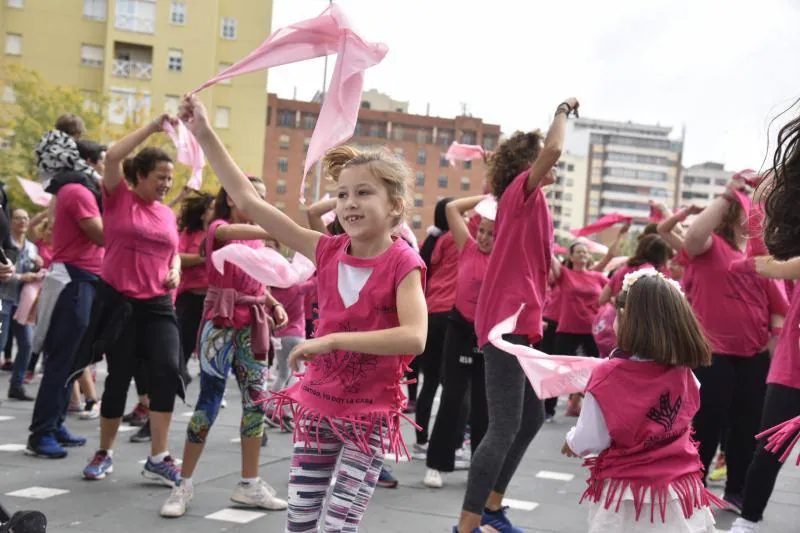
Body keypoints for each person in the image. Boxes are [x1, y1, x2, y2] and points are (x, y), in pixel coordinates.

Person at [180, 93, 427, 532]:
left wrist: (331, 340)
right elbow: (250, 202)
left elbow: (414, 337)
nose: (348, 203)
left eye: (363, 193)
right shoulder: (326, 249)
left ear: (395, 206)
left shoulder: (403, 262)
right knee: (300, 521)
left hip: (368, 414)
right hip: (317, 406)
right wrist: (202, 131)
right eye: (342, 194)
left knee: (336, 524)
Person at [455, 97, 578, 533]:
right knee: (505, 425)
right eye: (538, 160)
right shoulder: (521, 191)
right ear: (527, 165)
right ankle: (467, 525)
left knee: (528, 419)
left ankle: (491, 506)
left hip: (519, 321)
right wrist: (563, 110)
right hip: (505, 325)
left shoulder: (531, 203)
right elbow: (554, 151)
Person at [160, 178, 289, 517]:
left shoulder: (256, 239)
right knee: (209, 404)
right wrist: (276, 228)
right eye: (253, 198)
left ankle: (249, 484)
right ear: (231, 198)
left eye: (263, 198)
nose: (258, 203)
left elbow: (256, 279)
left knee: (256, 404)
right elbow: (229, 239)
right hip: (220, 326)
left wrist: (273, 303)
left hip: (253, 325)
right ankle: (182, 484)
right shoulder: (218, 228)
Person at [563, 269, 720, 532]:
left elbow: (593, 437)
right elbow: (691, 406)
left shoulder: (608, 374)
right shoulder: (682, 370)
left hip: (628, 495)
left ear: (626, 318)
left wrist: (571, 442)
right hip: (680, 490)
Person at [77, 116, 182, 486]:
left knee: (168, 370)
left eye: (170, 178)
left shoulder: (167, 214)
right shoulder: (117, 195)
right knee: (119, 377)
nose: (167, 185)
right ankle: (104, 451)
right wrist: (154, 126)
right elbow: (114, 155)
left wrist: (177, 268)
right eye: (160, 177)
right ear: (139, 176)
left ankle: (159, 455)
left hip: (157, 303)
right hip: (118, 301)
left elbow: (174, 251)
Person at [681, 182, 788, 511]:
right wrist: (729, 193)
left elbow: (777, 310)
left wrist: (774, 355)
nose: (756, 214)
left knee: (747, 428)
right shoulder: (711, 246)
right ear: (731, 213)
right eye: (749, 207)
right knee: (706, 423)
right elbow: (693, 237)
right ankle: (692, 487)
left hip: (753, 356)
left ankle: (736, 490)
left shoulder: (764, 257)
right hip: (712, 354)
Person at [728, 115, 800, 533]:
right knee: (769, 449)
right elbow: (766, 261)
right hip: (791, 371)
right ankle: (748, 521)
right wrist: (757, 198)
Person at [26, 140, 105, 458]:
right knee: (60, 360)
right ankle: (41, 432)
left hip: (82, 279)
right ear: (86, 161)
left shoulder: (76, 190)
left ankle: (55, 422)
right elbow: (101, 234)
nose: (104, 166)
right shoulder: (77, 191)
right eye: (102, 160)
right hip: (73, 280)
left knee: (72, 361)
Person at [424, 195, 494, 489]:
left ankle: (480, 468)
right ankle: (436, 465)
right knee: (452, 397)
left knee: (483, 405)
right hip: (459, 327)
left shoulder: (505, 259)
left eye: (493, 233)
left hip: (489, 333)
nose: (486, 237)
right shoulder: (467, 246)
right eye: (483, 231)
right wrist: (492, 196)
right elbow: (452, 208)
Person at [413, 197, 458, 453]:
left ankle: (421, 440)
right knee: (453, 385)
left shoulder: (429, 242)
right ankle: (447, 444)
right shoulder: (455, 239)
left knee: (429, 382)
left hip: (430, 315)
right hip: (450, 316)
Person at [0, 209, 44, 400]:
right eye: (18, 218)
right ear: (11, 222)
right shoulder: (4, 244)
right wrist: (22, 277)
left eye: (26, 218)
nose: (22, 222)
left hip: (23, 303)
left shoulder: (32, 247)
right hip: (4, 299)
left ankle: (16, 386)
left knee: (27, 344)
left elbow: (35, 267)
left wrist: (38, 267)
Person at [175, 190, 215, 379]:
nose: (216, 212)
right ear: (202, 213)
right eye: (211, 208)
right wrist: (202, 258)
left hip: (214, 302)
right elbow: (177, 257)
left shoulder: (223, 233)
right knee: (181, 346)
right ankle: (179, 376)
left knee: (211, 348)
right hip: (190, 299)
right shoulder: (190, 233)